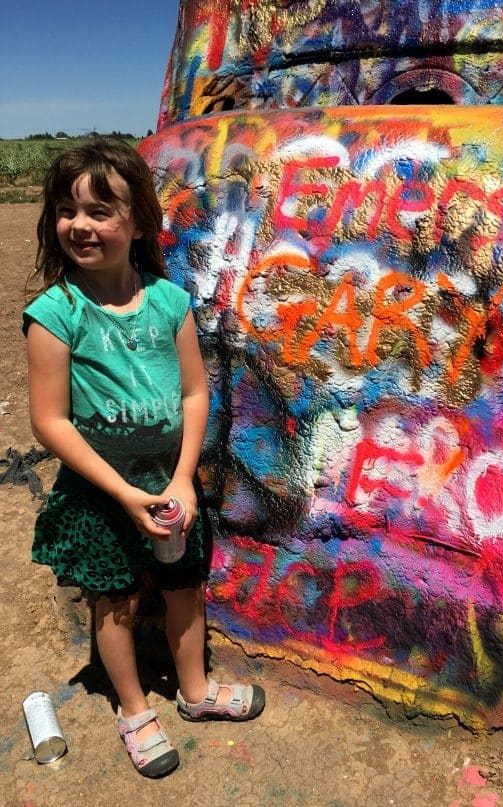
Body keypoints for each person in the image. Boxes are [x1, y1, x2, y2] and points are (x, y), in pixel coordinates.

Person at [23, 137, 265, 778]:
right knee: (116, 603)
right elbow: (49, 420)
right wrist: (123, 494)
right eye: (67, 210)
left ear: (139, 223)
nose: (81, 225)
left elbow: (194, 391)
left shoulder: (168, 302)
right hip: (102, 495)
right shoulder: (55, 314)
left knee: (185, 588)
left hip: (170, 486)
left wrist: (182, 479)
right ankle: (134, 709)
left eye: (102, 210)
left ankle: (196, 691)